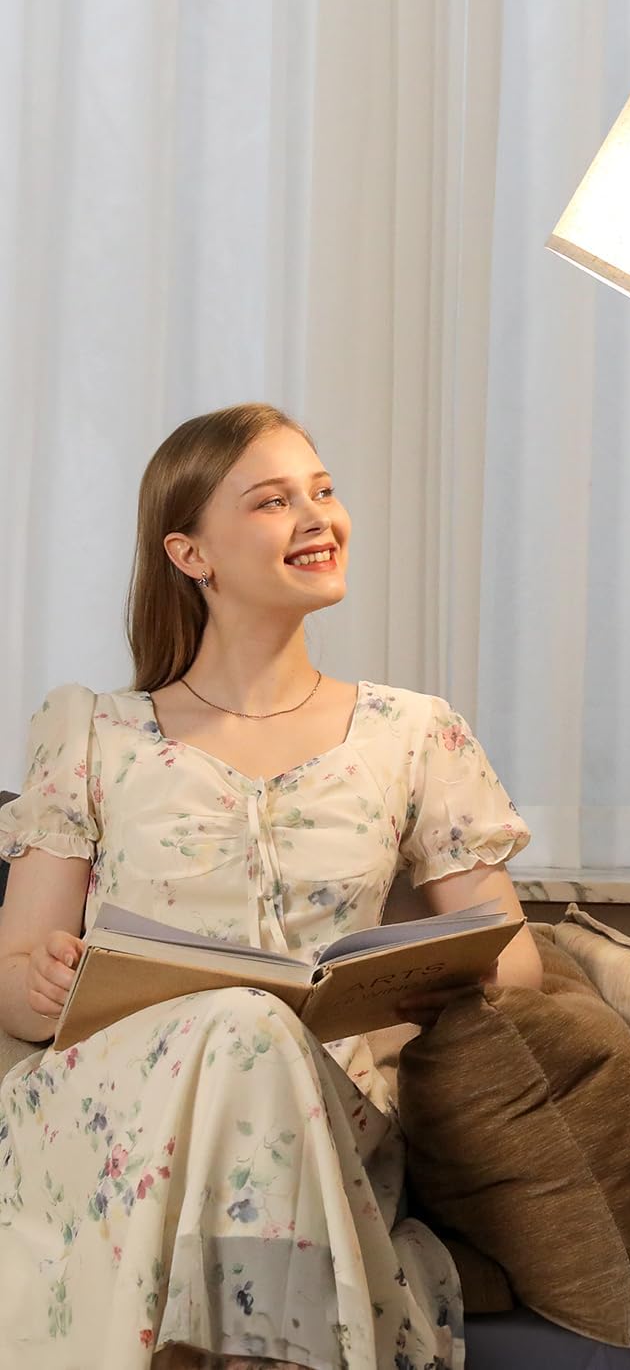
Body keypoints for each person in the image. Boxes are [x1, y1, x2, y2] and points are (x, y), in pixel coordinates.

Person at [0, 403, 539, 1370]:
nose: (316, 515)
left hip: (320, 1107)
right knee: (244, 1025)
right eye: (273, 500)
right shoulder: (90, 733)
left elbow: (516, 963)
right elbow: (13, 982)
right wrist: (38, 980)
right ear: (190, 553)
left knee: (255, 1035)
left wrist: (425, 994)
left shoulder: (415, 733)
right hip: (116, 1112)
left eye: (322, 491)